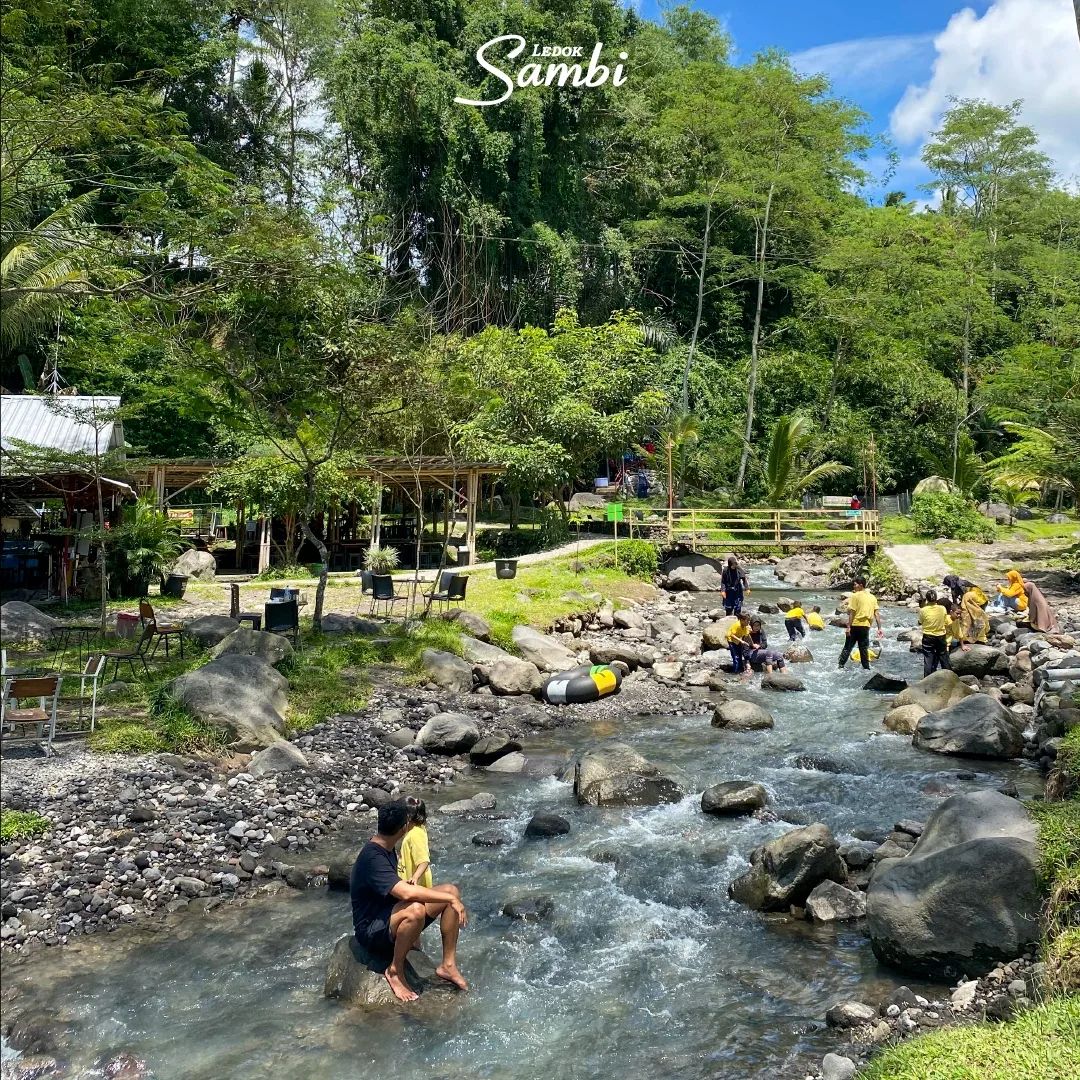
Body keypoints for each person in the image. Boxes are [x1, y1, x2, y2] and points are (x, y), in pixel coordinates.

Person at [351, 800, 469, 1002]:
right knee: (416, 910)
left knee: (451, 891)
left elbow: (392, 887)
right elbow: (405, 894)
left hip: (387, 914)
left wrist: (450, 896)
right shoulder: (372, 856)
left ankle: (448, 965)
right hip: (370, 930)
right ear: (404, 828)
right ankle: (394, 970)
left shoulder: (386, 846)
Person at [838, 577, 884, 670]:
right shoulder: (872, 597)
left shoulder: (855, 596)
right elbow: (877, 614)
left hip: (855, 625)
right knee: (863, 649)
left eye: (855, 584)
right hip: (866, 627)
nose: (853, 586)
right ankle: (866, 668)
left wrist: (848, 627)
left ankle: (840, 666)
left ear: (861, 585)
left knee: (848, 647)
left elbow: (852, 612)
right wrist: (879, 628)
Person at [398, 797, 432, 889]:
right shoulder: (415, 829)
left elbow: (424, 861)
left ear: (407, 817)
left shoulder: (415, 834)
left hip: (415, 886)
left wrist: (414, 878)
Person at [917, 590, 951, 677]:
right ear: (936, 599)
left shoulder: (923, 610)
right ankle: (949, 677)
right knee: (943, 656)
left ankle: (927, 679)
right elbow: (945, 619)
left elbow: (920, 622)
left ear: (927, 600)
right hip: (941, 636)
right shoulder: (942, 608)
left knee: (928, 658)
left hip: (928, 636)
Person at [960, 583, 989, 648]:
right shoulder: (981, 612)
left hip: (966, 642)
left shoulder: (967, 595)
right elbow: (987, 628)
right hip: (981, 640)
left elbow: (963, 606)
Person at [727, 611, 754, 676]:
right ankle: (735, 672)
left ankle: (740, 669)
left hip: (737, 640)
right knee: (735, 656)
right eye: (747, 621)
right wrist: (741, 641)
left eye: (749, 621)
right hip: (731, 640)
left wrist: (752, 644)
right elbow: (732, 635)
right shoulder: (737, 625)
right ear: (742, 620)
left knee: (739, 654)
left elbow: (748, 635)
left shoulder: (745, 626)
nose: (748, 622)